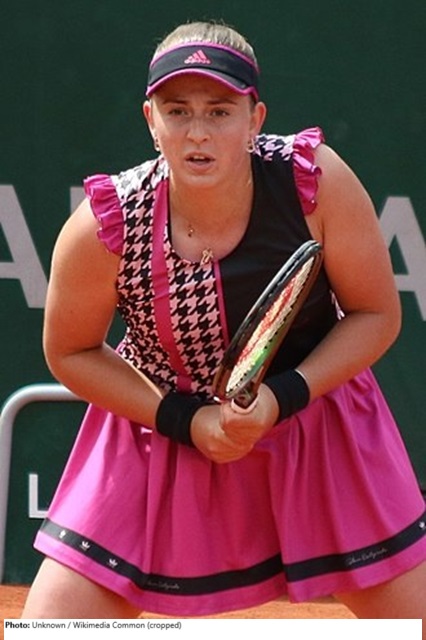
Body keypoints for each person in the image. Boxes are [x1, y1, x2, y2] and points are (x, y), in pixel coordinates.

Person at [22, 20, 426, 621]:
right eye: (177, 111)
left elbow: (376, 314)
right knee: (50, 629)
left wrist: (280, 398)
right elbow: (70, 351)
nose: (198, 132)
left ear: (255, 118)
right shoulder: (104, 227)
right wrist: (186, 420)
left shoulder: (315, 182)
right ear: (150, 120)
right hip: (160, 428)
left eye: (219, 111)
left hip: (314, 422)